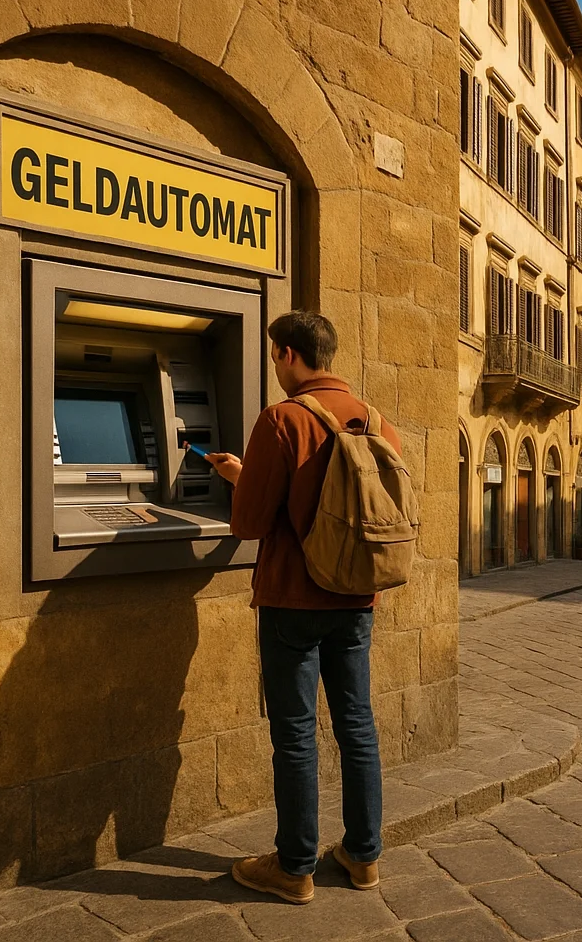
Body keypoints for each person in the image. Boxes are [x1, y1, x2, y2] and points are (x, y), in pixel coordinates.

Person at [203, 312, 392, 905]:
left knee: (295, 734)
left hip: (292, 598)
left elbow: (250, 523)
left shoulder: (281, 419)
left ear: (288, 355)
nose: (277, 367)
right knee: (357, 725)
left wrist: (242, 479)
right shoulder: (376, 419)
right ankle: (363, 858)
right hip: (356, 596)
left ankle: (295, 867)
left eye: (276, 357)